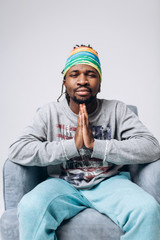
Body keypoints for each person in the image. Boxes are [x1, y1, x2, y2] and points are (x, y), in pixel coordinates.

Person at [9, 44, 160, 240]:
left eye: (90, 74)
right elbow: (17, 150)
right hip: (62, 184)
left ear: (100, 82)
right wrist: (73, 146)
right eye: (74, 74)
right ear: (64, 81)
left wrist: (95, 146)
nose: (82, 81)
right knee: (30, 206)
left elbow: (151, 146)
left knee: (147, 210)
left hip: (109, 183)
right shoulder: (49, 113)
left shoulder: (117, 110)